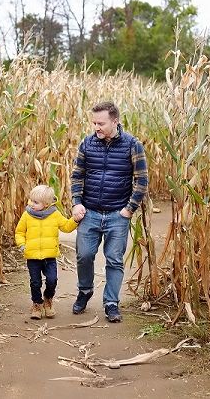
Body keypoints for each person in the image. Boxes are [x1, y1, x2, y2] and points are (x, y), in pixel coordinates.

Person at [70, 101, 149, 323]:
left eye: (101, 123)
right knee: (84, 256)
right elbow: (77, 175)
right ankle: (85, 291)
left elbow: (141, 180)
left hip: (117, 214)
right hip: (90, 211)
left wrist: (129, 209)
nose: (96, 127)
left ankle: (111, 303)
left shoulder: (132, 145)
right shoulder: (87, 143)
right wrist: (76, 202)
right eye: (94, 122)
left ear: (115, 121)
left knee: (114, 260)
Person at [15, 184, 78, 320]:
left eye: (36, 202)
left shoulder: (55, 214)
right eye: (31, 200)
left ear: (47, 204)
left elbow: (66, 227)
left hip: (50, 257)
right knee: (35, 282)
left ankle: (48, 298)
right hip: (32, 256)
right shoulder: (27, 215)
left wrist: (75, 220)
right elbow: (19, 232)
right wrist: (21, 244)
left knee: (52, 280)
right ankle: (37, 304)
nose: (31, 204)